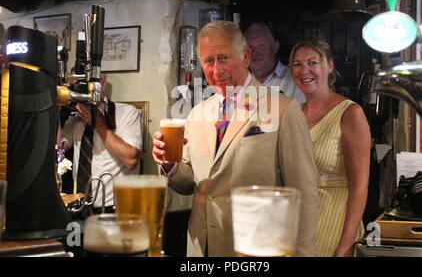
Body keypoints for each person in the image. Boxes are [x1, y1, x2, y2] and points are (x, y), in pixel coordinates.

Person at [152, 21, 319, 257]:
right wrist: (170, 166)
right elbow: (189, 183)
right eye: (208, 61)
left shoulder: (283, 109)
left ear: (246, 57)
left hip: (257, 249)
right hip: (201, 248)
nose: (217, 70)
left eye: (224, 58)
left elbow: (304, 194)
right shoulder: (197, 113)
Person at [289, 38, 371, 257]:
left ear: (330, 66)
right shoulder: (292, 113)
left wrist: (345, 245)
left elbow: (360, 188)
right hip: (296, 225)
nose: (304, 70)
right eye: (297, 64)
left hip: (334, 225)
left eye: (312, 62)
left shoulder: (350, 113)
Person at [59, 74, 143, 213]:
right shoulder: (74, 119)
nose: (80, 94)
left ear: (102, 85)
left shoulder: (126, 113)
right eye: (76, 88)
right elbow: (58, 150)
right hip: (79, 206)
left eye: (84, 87)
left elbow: (131, 159)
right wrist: (57, 108)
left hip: (116, 208)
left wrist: (99, 125)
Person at [244, 22, 306, 103]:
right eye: (250, 47)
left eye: (261, 46)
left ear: (275, 47)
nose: (255, 52)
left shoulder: (295, 80)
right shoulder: (241, 82)